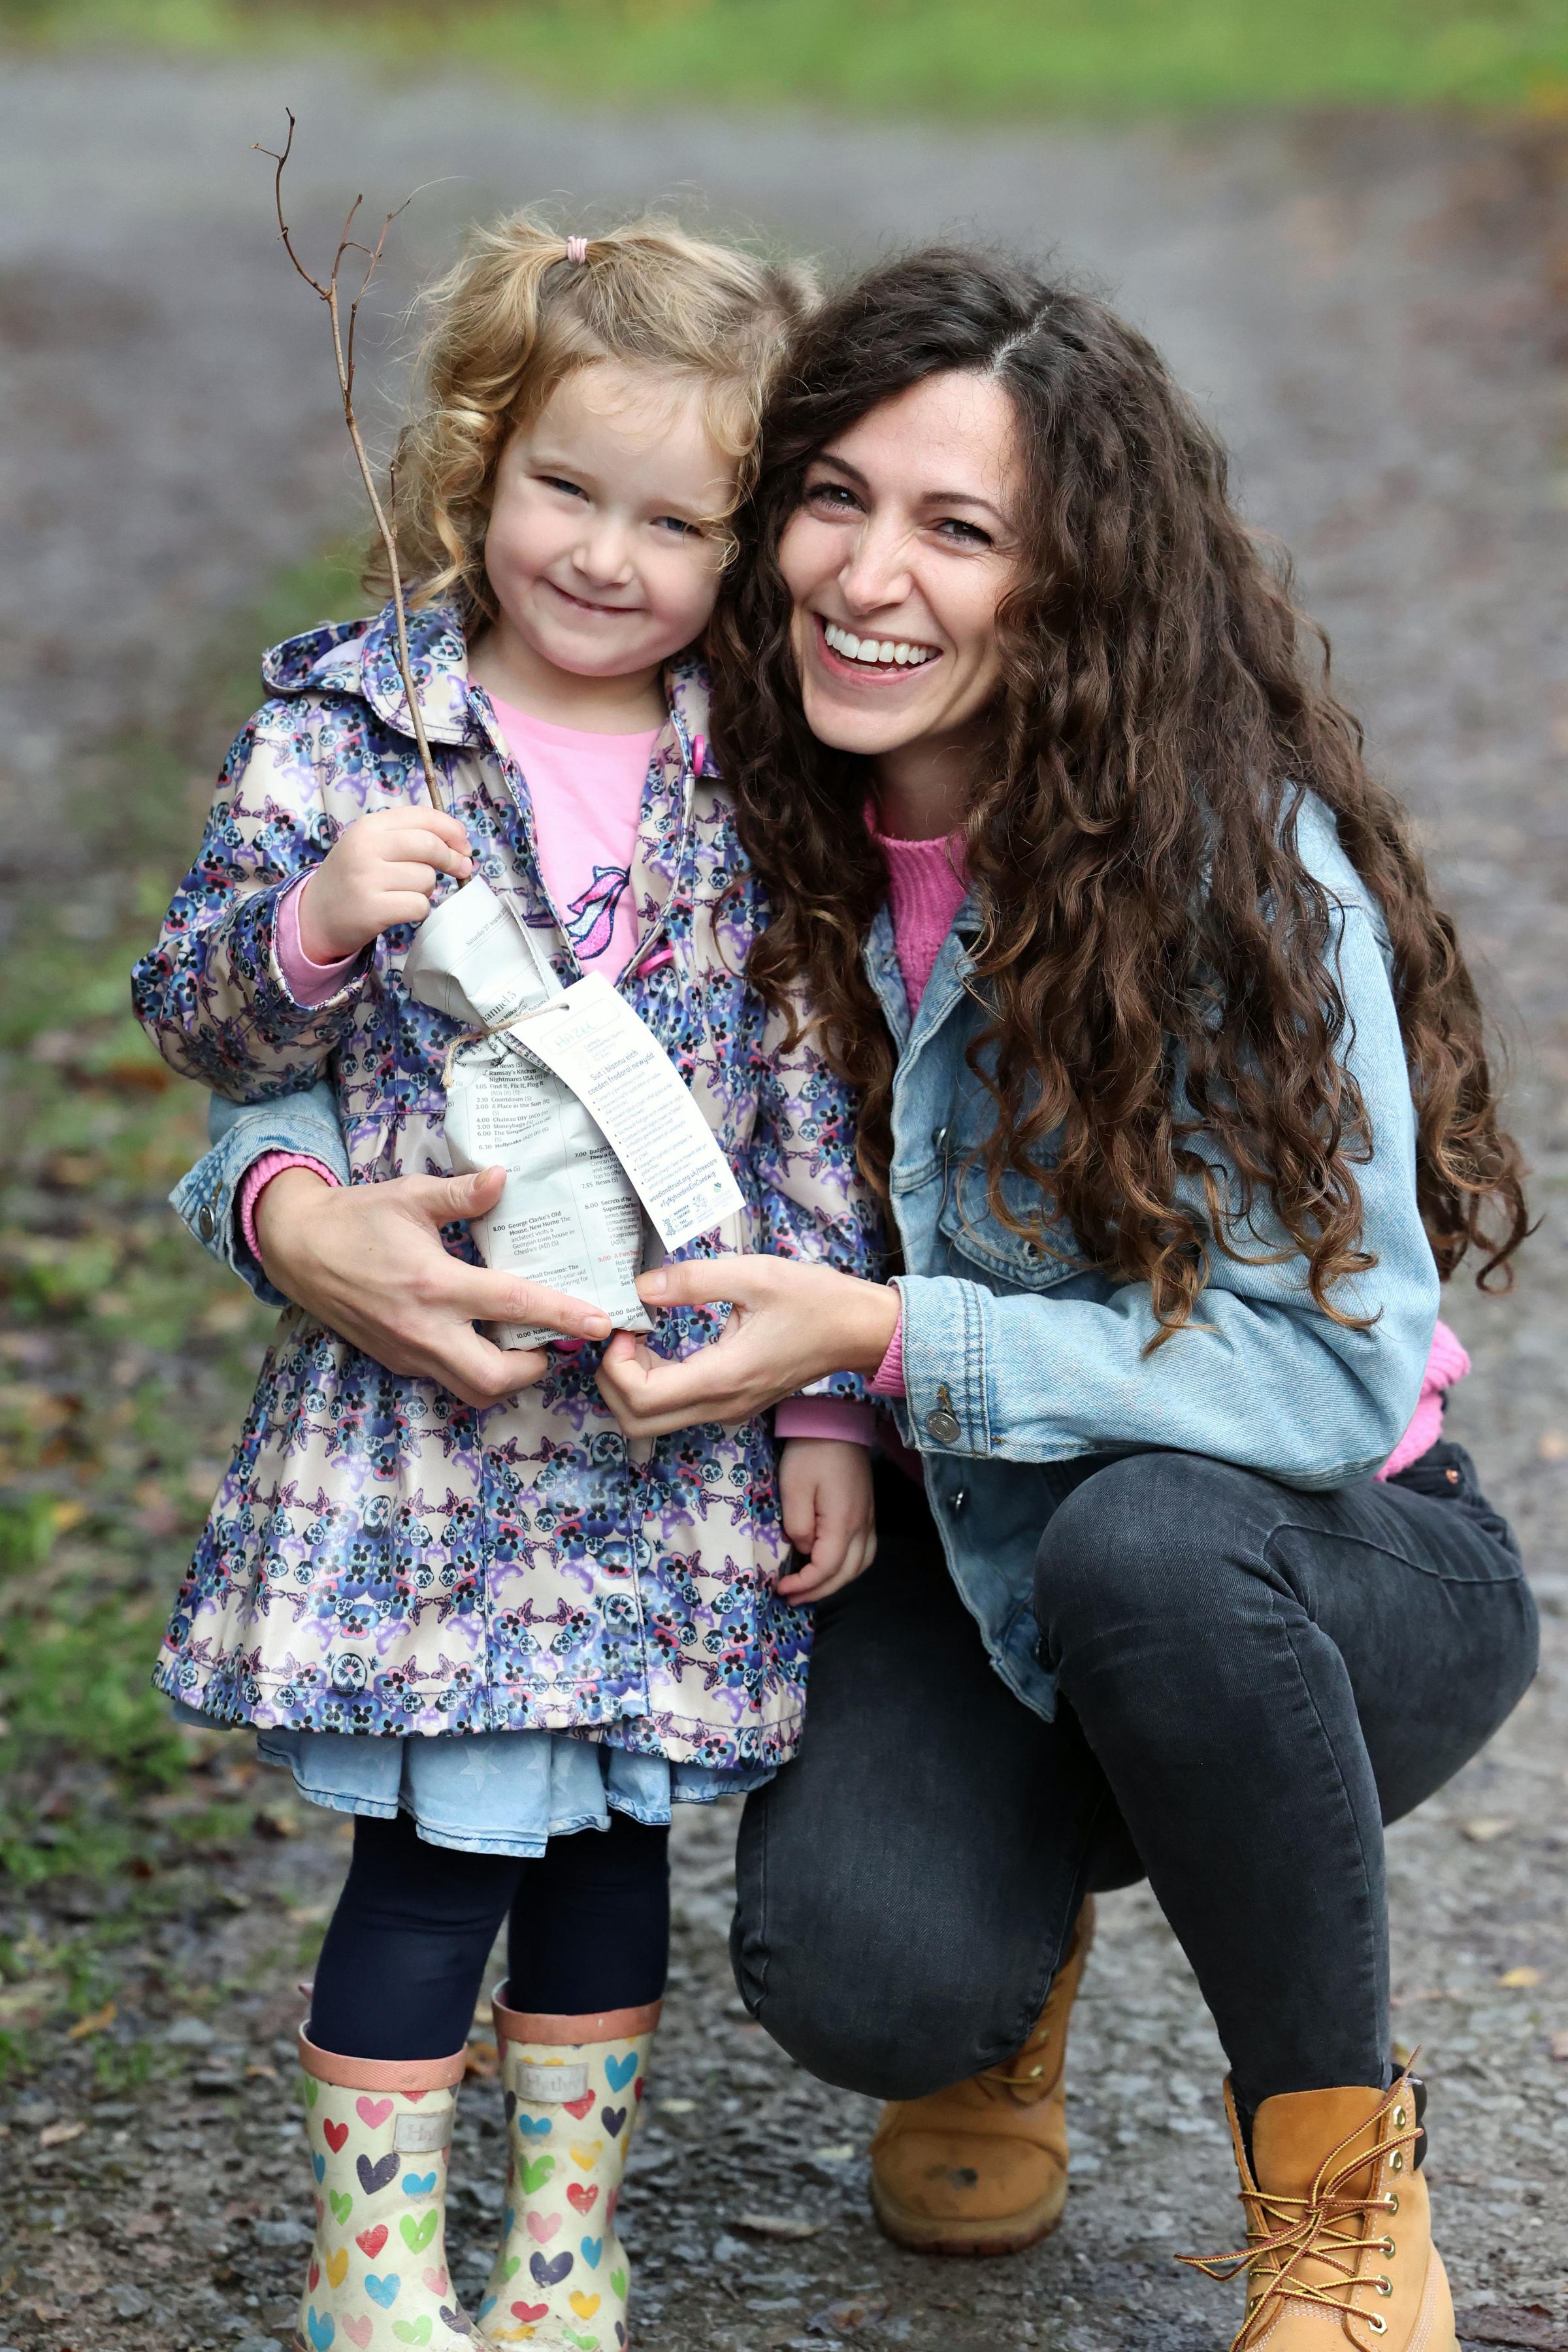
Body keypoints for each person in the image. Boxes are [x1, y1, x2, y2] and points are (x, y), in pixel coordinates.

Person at [176, 248, 1537, 2352]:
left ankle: (1342, 2201)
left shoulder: (1215, 869)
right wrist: (272, 1208)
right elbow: (385, 1072)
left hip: (1307, 1552)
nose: (871, 576)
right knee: (866, 1971)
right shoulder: (722, 794)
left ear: (1070, 585)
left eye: (962, 529)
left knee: (1150, 1548)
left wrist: (879, 1341)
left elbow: (1337, 1371)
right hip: (953, 1541)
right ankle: (1012, 1963)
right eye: (836, 498)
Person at [131, 216, 880, 2352]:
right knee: (435, 1858)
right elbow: (188, 1023)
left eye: (680, 520)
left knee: (611, 1855)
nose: (608, 557)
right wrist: (307, 928)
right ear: (481, 452)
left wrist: (824, 1408)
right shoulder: (351, 723)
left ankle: (565, 2254)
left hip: (668, 1428)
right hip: (427, 1433)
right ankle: (375, 2265)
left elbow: (811, 1101)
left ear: (747, 546)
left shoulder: (754, 777)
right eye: (569, 486)